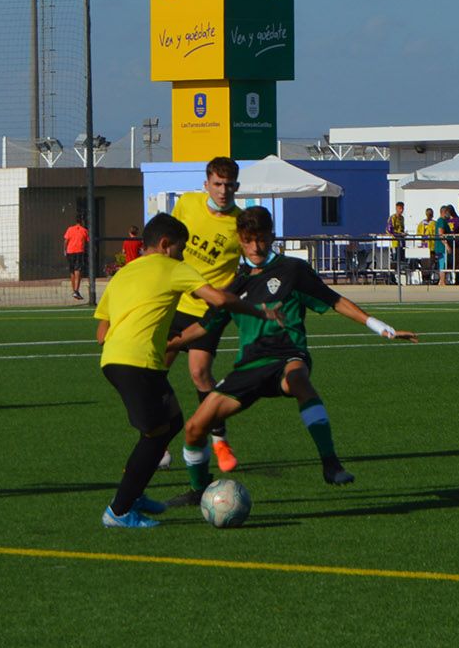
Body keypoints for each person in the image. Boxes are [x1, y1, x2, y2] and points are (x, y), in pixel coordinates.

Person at [177, 206, 417, 492]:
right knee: (194, 428)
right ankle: (197, 491)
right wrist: (167, 343)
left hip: (286, 355)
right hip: (250, 366)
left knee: (298, 379)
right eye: (249, 239)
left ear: (273, 236)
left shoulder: (292, 270)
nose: (256, 246)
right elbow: (202, 327)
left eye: (262, 238)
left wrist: (380, 326)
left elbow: (334, 300)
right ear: (240, 240)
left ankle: (331, 463)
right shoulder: (235, 286)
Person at [93, 212, 268, 530]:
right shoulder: (172, 267)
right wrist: (258, 310)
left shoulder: (123, 274)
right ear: (164, 245)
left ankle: (134, 495)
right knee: (155, 433)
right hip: (138, 363)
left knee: (172, 422)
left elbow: (101, 333)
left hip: (117, 360)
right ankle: (118, 511)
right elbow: (217, 298)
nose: (184, 255)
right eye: (181, 248)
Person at [169, 157, 246, 470]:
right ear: (206, 185)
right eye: (217, 184)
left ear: (237, 186)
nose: (223, 190)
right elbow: (168, 245)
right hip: (175, 305)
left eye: (229, 185)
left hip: (209, 310)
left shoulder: (240, 222)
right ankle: (157, 439)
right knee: (154, 373)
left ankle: (219, 439)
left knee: (200, 372)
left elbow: (252, 262)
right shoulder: (187, 204)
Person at [64, 214, 90, 301]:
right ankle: (76, 290)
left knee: (72, 270)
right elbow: (88, 242)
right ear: (82, 221)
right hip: (79, 251)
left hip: (70, 251)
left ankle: (74, 290)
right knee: (78, 270)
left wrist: (65, 250)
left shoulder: (70, 229)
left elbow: (66, 240)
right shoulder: (84, 230)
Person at [437, 204, 459, 283]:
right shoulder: (444, 220)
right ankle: (443, 280)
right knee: (445, 263)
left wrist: (457, 235)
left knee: (456, 262)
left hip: (456, 244)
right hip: (448, 245)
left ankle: (457, 279)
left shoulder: (457, 219)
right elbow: (441, 233)